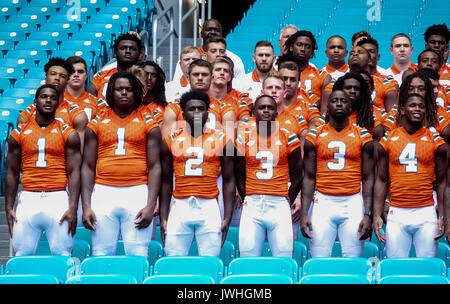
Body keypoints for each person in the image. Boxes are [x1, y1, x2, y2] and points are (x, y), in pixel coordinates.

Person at [81, 72, 161, 257]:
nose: (124, 93)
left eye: (129, 89)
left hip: (137, 191)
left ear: (136, 93)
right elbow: (87, 166)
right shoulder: (96, 122)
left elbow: (155, 166)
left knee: (138, 253)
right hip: (103, 191)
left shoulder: (149, 122)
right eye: (119, 89)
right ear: (110, 92)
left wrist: (151, 204)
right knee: (101, 253)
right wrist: (86, 206)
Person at [5, 84, 81, 256]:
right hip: (29, 197)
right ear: (35, 102)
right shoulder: (19, 133)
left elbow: (74, 171)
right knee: (22, 255)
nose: (48, 100)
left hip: (58, 197)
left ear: (58, 103)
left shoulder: (68, 133)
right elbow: (12, 172)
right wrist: (9, 207)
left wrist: (73, 206)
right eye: (44, 97)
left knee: (62, 254)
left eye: (53, 98)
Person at [159, 90, 235, 257]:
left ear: (208, 113)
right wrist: (163, 217)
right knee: (173, 262)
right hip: (179, 205)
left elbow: (229, 180)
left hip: (209, 206)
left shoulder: (223, 140)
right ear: (183, 114)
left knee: (210, 261)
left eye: (201, 109)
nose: (197, 113)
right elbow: (165, 182)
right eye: (192, 109)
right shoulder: (169, 140)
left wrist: (227, 218)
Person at [300, 90, 374, 257]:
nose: (339, 104)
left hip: (353, 202)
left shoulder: (362, 135)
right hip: (323, 201)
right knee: (319, 260)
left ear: (350, 107)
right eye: (335, 100)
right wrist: (305, 212)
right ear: (327, 106)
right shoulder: (315, 135)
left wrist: (368, 214)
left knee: (353, 261)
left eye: (343, 101)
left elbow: (369, 178)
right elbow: (309, 177)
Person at [373, 93, 446, 257]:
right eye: (413, 105)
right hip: (397, 211)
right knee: (396, 266)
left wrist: (442, 214)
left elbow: (442, 181)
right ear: (403, 110)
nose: (418, 109)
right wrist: (377, 213)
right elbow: (381, 179)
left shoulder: (435, 139)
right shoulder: (388, 138)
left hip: (426, 210)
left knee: (426, 267)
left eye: (421, 106)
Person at [235, 95, 302, 257]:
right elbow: (238, 172)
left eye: (270, 108)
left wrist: (287, 200)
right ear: (253, 113)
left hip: (279, 202)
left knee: (284, 257)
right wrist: (247, 197)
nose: (266, 110)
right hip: (252, 202)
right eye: (262, 107)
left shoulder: (288, 136)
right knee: (248, 258)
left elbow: (298, 176)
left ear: (276, 113)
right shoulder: (243, 137)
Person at [17, 57, 89, 151]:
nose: (57, 78)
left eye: (62, 76)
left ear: (67, 81)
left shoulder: (77, 114)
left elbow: (79, 152)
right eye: (53, 74)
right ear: (45, 77)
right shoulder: (27, 114)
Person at [161, 59, 235, 137]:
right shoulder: (173, 109)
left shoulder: (225, 110)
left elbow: (229, 147)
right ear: (188, 78)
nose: (200, 78)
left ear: (212, 78)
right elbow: (166, 146)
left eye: (204, 75)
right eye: (196, 74)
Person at [172, 19, 245, 81]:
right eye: (208, 29)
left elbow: (241, 86)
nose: (212, 32)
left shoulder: (235, 60)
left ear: (222, 33)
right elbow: (177, 85)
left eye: (217, 30)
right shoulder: (188, 59)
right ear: (201, 33)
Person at [284, 30, 332, 108]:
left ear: (312, 52)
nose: (303, 49)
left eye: (307, 46)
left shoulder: (323, 77)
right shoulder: (279, 75)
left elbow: (325, 111)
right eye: (299, 45)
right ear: (291, 47)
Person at [88, 32, 142, 100]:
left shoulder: (144, 76)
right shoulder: (104, 73)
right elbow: (91, 91)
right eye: (123, 48)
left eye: (132, 49)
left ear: (139, 54)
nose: (128, 51)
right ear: (115, 53)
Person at [349, 43, 399, 112]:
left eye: (360, 52)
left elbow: (393, 116)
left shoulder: (386, 82)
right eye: (352, 53)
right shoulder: (339, 82)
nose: (355, 54)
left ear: (369, 60)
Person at [209, 56, 252, 122]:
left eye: (225, 71)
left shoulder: (240, 98)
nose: (222, 73)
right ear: (211, 75)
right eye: (218, 70)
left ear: (229, 77)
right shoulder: (202, 98)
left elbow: (245, 121)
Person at [65, 56, 98, 121]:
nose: (76, 75)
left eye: (80, 71)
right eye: (72, 72)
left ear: (86, 76)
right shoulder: (56, 102)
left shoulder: (97, 103)